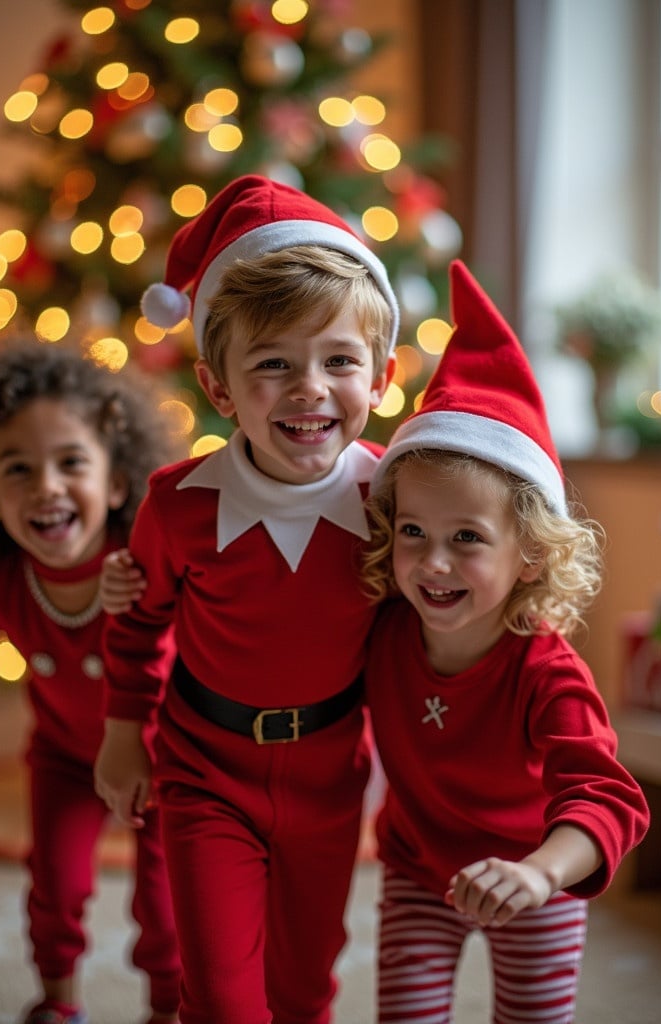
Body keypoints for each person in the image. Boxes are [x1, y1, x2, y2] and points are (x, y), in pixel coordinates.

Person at [94, 174, 398, 1024]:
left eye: (339, 360)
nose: (309, 388)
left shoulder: (397, 499)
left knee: (304, 987)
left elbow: (437, 619)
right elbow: (139, 617)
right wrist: (124, 735)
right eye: (273, 365)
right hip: (203, 768)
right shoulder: (178, 505)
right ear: (219, 386)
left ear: (381, 376)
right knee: (222, 996)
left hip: (332, 772)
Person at [361, 260, 650, 1023]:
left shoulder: (546, 672)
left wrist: (542, 873)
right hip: (419, 871)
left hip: (534, 882)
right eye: (413, 532)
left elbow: (611, 801)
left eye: (467, 538)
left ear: (531, 554)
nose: (433, 562)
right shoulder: (383, 628)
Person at [0, 340, 182, 1024]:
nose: (47, 487)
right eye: (18, 469)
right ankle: (58, 1002)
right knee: (54, 889)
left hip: (169, 763)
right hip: (67, 760)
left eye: (71, 463)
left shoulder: (147, 565)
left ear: (116, 483)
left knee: (167, 903)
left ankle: (169, 1009)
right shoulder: (1, 586)